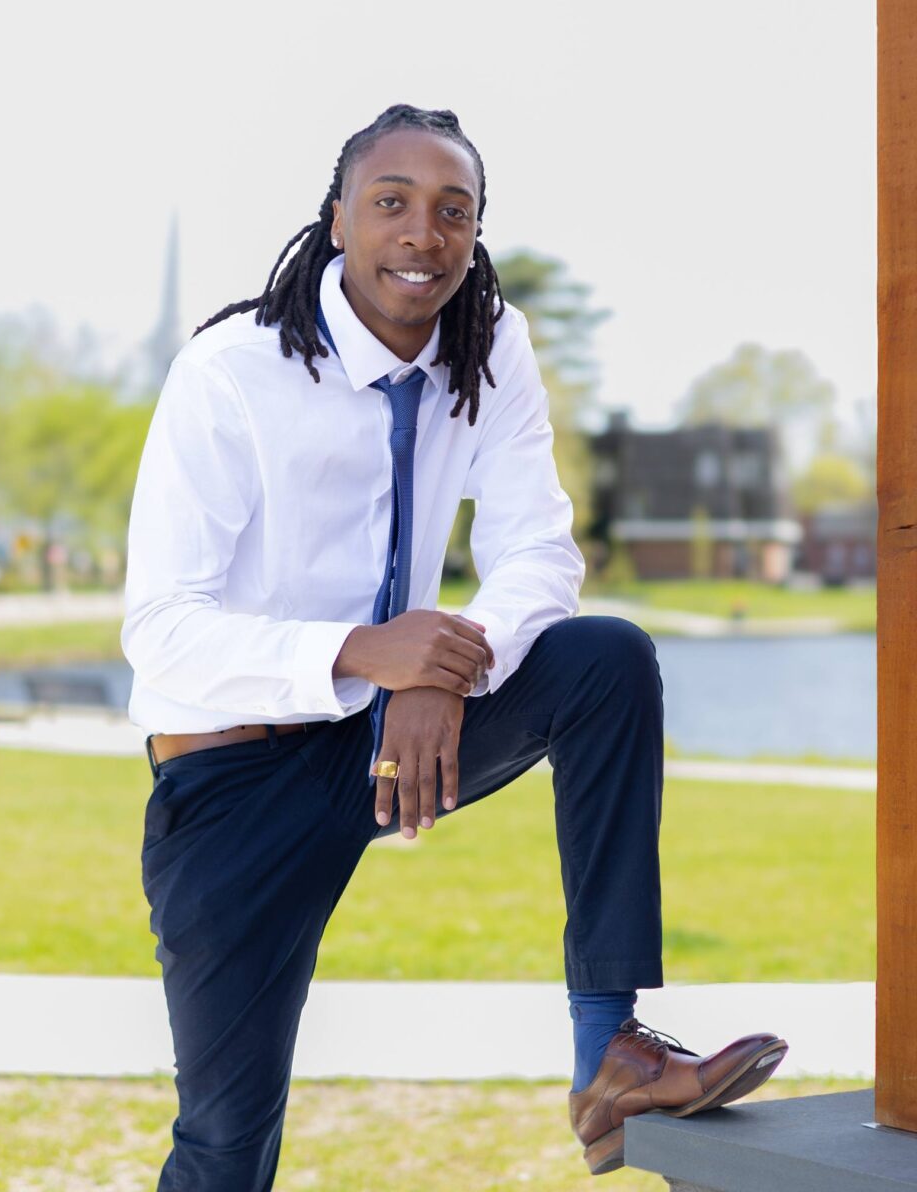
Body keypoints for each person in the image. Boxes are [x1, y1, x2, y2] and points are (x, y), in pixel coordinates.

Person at [121, 104, 787, 1188]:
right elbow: (161, 632)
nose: (422, 233)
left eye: (453, 210)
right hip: (234, 780)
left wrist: (443, 664)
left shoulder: (489, 343)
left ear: (475, 232)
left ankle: (608, 1054)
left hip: (393, 737)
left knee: (605, 661)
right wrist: (369, 652)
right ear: (338, 220)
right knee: (226, 1140)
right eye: (391, 203)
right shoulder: (231, 372)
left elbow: (539, 552)